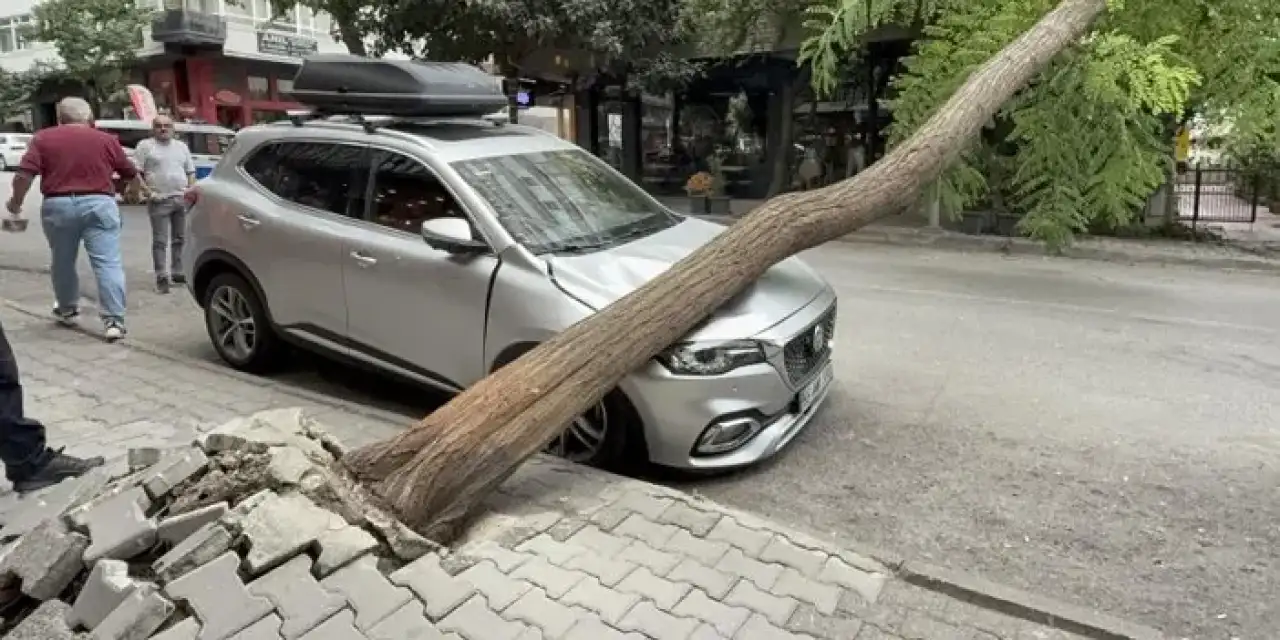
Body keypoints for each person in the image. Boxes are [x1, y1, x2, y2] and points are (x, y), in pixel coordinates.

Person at [6, 97, 138, 342]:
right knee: (107, 263)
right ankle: (114, 321)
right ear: (89, 118)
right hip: (100, 203)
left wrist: (16, 203)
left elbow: (24, 175)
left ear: (60, 118)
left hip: (59, 206)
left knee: (62, 261)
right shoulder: (106, 140)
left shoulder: (44, 138)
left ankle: (67, 309)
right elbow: (130, 173)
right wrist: (136, 191)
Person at [134, 115, 195, 294]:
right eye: (159, 126)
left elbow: (190, 171)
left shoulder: (181, 147)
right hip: (159, 199)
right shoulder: (145, 146)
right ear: (153, 128)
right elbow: (135, 172)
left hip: (180, 198)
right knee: (160, 240)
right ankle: (161, 275)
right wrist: (148, 193)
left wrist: (190, 191)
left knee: (180, 238)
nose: (163, 129)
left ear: (173, 128)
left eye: (167, 125)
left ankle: (178, 271)